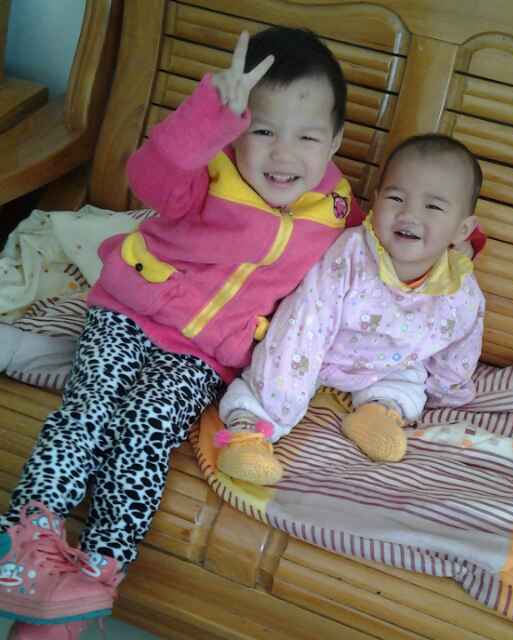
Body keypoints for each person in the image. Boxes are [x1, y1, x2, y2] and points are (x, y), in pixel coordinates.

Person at [0, 26, 358, 639]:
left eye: (307, 137)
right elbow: (150, 175)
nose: (283, 155)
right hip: (127, 310)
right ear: (236, 129)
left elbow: (374, 262)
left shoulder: (336, 211)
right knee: (91, 408)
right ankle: (25, 547)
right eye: (262, 131)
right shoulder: (206, 169)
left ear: (336, 142)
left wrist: (451, 247)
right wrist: (208, 115)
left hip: (203, 355)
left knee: (144, 431)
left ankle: (91, 582)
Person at [216, 134, 486, 485]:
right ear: (376, 200)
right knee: (266, 379)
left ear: (462, 229)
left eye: (433, 207)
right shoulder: (350, 254)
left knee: (408, 386)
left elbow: (461, 339)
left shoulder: (458, 289)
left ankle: (378, 413)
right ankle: (247, 437)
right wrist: (284, 400)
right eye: (396, 198)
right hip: (314, 355)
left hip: (386, 367)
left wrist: (448, 389)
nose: (409, 214)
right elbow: (305, 323)